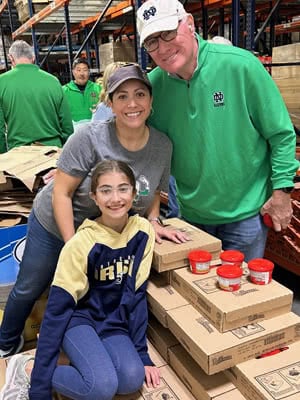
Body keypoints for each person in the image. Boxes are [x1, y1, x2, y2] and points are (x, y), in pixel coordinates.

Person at [0, 63, 187, 359]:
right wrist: (73, 245)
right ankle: (6, 341)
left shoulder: (162, 146)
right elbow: (61, 193)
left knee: (91, 291)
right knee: (31, 284)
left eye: (140, 94)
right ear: (110, 103)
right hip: (57, 222)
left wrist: (153, 220)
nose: (132, 104)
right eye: (122, 97)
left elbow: (153, 191)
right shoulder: (90, 137)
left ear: (151, 101)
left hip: (102, 232)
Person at [136, 0, 299, 261]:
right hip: (190, 218)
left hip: (245, 217)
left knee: (241, 297)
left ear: (189, 23)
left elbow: (281, 134)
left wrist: (282, 192)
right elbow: (150, 158)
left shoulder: (241, 67)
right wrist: (149, 216)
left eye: (167, 33)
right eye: (151, 42)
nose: (162, 48)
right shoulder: (154, 88)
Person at [0, 160, 160, 400]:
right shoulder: (81, 243)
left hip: (112, 322)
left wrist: (142, 355)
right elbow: (57, 310)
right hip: (78, 320)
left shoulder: (143, 232)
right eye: (106, 190)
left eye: (123, 188)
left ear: (134, 193)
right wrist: (40, 390)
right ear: (94, 197)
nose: (115, 198)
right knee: (100, 388)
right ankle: (27, 369)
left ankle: (86, 359)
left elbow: (136, 298)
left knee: (130, 380)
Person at [0, 40, 73, 153]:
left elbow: (0, 130)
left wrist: (4, 155)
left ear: (11, 58)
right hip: (52, 151)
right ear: (33, 58)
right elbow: (67, 124)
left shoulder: (2, 82)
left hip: (20, 154)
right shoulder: (53, 81)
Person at [63, 58, 101, 125]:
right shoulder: (64, 90)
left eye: (85, 70)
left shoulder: (98, 88)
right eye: (78, 70)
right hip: (73, 131)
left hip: (95, 130)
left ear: (89, 72)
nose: (82, 73)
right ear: (73, 72)